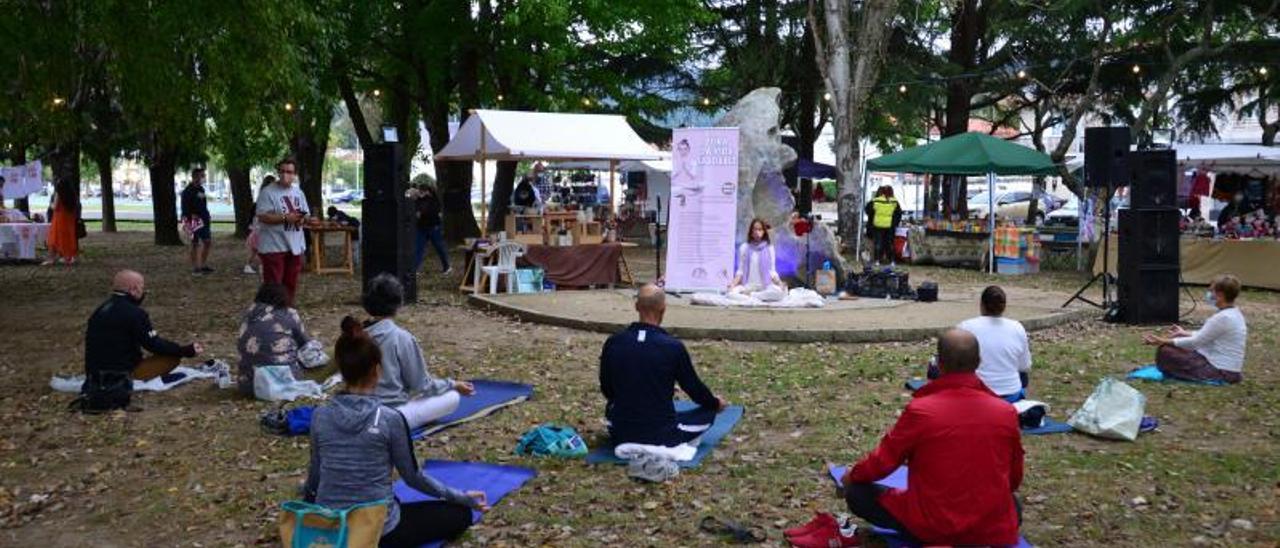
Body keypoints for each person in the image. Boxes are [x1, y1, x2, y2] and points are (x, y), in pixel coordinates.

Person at [302, 317, 487, 547]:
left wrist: (309, 516)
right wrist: (461, 497)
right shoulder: (390, 419)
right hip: (379, 528)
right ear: (377, 370)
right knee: (459, 514)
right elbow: (413, 478)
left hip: (331, 528)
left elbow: (316, 476)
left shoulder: (320, 416)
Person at [840, 329, 1023, 546]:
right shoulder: (1006, 412)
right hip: (987, 526)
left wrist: (853, 476)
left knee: (858, 493)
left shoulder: (921, 410)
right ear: (979, 362)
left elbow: (884, 461)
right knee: (1013, 505)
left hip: (932, 524)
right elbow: (1013, 477)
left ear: (939, 364)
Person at [599, 284, 728, 447]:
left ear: (636, 306)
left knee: (618, 408)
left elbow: (607, 388)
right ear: (663, 308)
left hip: (620, 431)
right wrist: (715, 404)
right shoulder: (673, 346)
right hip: (661, 434)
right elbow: (694, 388)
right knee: (707, 411)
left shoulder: (614, 342)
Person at [76, 270, 203, 412]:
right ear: (134, 289)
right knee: (171, 358)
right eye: (142, 288)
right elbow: (153, 344)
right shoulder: (135, 313)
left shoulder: (101, 309)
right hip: (122, 373)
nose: (144, 292)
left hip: (94, 372)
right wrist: (184, 350)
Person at [361, 274, 474, 430]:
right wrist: (453, 384)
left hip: (356, 412)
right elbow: (422, 385)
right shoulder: (401, 338)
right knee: (452, 397)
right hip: (390, 414)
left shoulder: (352, 336)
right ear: (398, 304)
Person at [1143, 274, 1247, 384]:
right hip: (1229, 370)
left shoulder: (1223, 317)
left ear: (1220, 295)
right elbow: (1207, 335)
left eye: (1211, 291)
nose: (1209, 294)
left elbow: (1195, 343)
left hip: (1220, 371)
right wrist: (1183, 333)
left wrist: (1162, 341)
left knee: (1165, 351)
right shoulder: (1234, 313)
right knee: (1175, 348)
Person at [236, 283, 315, 398]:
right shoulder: (289, 314)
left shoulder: (249, 314)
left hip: (249, 385)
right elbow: (305, 345)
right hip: (285, 382)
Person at [955, 285, 1032, 402]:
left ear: (981, 305)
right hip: (1010, 395)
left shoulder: (965, 327)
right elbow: (1025, 366)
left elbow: (955, 365)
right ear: (1004, 307)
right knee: (1022, 375)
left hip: (975, 395)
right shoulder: (1017, 327)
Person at [255, 158, 310, 304]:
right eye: (282, 171)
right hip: (273, 246)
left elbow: (305, 214)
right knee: (274, 285)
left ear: (294, 174)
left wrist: (304, 219)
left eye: (289, 172)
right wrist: (286, 218)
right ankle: (271, 313)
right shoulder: (268, 192)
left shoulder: (298, 192)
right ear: (278, 172)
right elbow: (262, 216)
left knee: (290, 283)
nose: (285, 175)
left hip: (294, 246)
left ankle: (287, 312)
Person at [728, 218, 785, 301]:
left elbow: (772, 271)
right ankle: (756, 296)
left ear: (764, 231)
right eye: (754, 229)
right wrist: (732, 284)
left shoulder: (769, 248)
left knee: (780, 293)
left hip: (764, 286)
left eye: (759, 229)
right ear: (751, 232)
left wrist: (780, 283)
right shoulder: (744, 247)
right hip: (748, 286)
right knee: (730, 293)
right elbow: (740, 271)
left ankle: (752, 296)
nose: (757, 232)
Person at [411, 181, 450, 275]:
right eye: (419, 192)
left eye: (422, 192)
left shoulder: (434, 200)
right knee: (418, 248)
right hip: (421, 228)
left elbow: (434, 212)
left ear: (427, 191)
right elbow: (415, 210)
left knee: (439, 247)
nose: (420, 194)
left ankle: (447, 266)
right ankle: (415, 268)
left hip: (433, 227)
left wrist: (421, 213)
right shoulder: (417, 201)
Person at [181, 168, 213, 274]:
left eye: (204, 176)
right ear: (195, 177)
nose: (203, 178)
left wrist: (207, 215)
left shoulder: (201, 189)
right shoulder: (187, 191)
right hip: (193, 221)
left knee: (207, 242)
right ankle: (195, 268)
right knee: (194, 243)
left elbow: (203, 204)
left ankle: (203, 265)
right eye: (202, 176)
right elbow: (184, 208)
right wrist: (190, 217)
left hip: (204, 219)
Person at [44, 177, 79, 266]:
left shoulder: (59, 194)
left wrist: (50, 204)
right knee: (68, 237)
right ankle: (68, 257)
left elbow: (55, 207)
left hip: (59, 218)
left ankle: (51, 259)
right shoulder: (73, 195)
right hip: (69, 219)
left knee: (54, 238)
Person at [864, 186, 902, 265]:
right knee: (890, 243)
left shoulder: (876, 201)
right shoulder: (894, 202)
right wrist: (895, 223)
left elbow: (868, 209)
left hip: (878, 225)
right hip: (890, 226)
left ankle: (877, 260)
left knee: (878, 243)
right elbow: (899, 213)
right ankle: (892, 261)